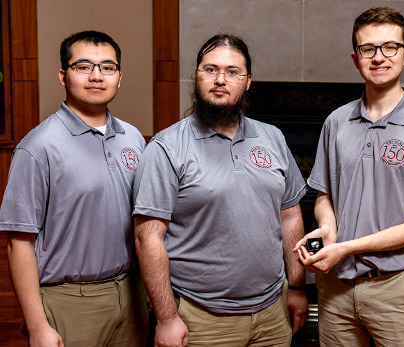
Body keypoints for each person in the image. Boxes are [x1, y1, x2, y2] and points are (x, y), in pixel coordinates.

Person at [294, 7, 404, 347]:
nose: (379, 57)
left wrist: (348, 247)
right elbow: (324, 195)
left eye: (390, 47)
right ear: (355, 58)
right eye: (368, 49)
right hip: (336, 288)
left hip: (398, 290)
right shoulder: (336, 122)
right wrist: (328, 228)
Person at [132, 34, 308, 347]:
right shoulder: (166, 147)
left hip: (272, 313)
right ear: (196, 76)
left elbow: (290, 215)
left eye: (232, 72)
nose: (220, 80)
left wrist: (296, 287)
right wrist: (167, 318)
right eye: (210, 70)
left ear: (248, 81)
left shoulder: (273, 138)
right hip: (202, 318)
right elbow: (148, 237)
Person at [0, 30, 148, 346]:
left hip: (132, 293)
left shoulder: (133, 138)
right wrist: (37, 325)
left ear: (119, 77)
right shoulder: (39, 147)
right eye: (83, 67)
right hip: (71, 300)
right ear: (63, 76)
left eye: (107, 67)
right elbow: (19, 243)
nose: (97, 76)